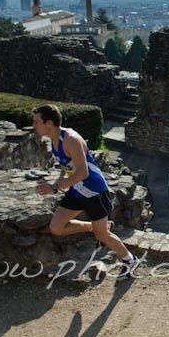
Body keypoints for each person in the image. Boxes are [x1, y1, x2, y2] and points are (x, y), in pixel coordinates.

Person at [32, 104, 139, 281]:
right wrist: (57, 182)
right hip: (77, 190)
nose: (33, 125)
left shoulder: (71, 139)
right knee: (56, 228)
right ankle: (93, 227)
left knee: (102, 235)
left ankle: (130, 260)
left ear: (49, 123)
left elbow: (83, 172)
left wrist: (55, 188)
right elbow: (67, 166)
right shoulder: (54, 139)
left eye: (36, 121)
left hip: (95, 192)